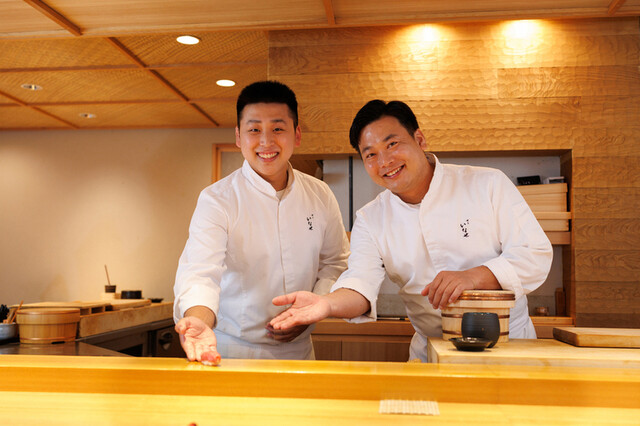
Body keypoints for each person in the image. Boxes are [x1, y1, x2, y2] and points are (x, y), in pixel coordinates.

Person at [270, 99, 553, 361]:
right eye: (371, 154)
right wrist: (325, 304)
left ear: (419, 139)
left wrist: (473, 277)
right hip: (431, 352)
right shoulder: (371, 218)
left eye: (392, 144)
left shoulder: (487, 184)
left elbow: (535, 255)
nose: (385, 162)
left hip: (509, 347)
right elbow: (359, 283)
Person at [173, 81, 349, 363]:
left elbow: (335, 262)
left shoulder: (320, 194)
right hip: (231, 350)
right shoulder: (217, 199)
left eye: (278, 129)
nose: (266, 142)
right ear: (238, 137)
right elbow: (200, 273)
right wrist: (199, 320)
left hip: (300, 350)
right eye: (254, 130)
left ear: (297, 134)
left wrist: (311, 310)